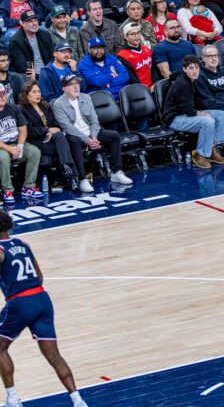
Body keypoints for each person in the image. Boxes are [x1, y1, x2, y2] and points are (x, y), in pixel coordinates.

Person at [0, 211, 90, 406]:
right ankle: (78, 400)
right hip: (42, 300)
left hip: (20, 303)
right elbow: (40, 277)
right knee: (54, 354)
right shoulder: (23, 244)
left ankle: (13, 400)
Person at [51, 74, 133, 185]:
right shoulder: (58, 104)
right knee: (74, 141)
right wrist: (87, 140)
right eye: (71, 84)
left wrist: (93, 136)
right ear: (64, 89)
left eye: (77, 83)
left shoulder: (86, 97)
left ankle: (117, 172)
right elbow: (68, 127)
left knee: (114, 136)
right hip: (74, 135)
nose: (75, 87)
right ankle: (82, 178)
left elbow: (94, 120)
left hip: (91, 133)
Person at [20, 79, 91, 192]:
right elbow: (30, 131)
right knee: (63, 140)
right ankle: (70, 173)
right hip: (38, 142)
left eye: (38, 91)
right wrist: (47, 130)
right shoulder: (23, 111)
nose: (38, 94)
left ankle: (67, 169)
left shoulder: (46, 107)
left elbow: (56, 125)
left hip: (54, 140)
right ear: (26, 95)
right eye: (34, 92)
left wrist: (51, 131)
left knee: (62, 137)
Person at [162, 54, 224, 169]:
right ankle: (200, 156)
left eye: (197, 67)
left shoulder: (182, 75)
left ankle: (213, 150)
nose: (195, 71)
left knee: (221, 114)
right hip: (174, 118)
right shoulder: (183, 85)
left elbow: (171, 76)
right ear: (184, 69)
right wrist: (204, 114)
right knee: (207, 121)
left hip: (186, 113)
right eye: (191, 68)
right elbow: (190, 112)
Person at [8, 10, 54, 79]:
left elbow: (53, 56)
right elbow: (21, 67)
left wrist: (49, 71)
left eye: (35, 20)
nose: (34, 23)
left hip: (49, 71)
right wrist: (37, 76)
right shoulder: (15, 41)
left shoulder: (45, 35)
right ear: (23, 24)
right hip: (31, 76)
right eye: (30, 21)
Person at [117, 23, 154, 89]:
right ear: (126, 37)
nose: (137, 36)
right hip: (139, 90)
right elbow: (131, 78)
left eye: (138, 33)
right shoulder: (122, 55)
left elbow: (154, 68)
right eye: (132, 34)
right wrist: (144, 89)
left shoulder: (146, 49)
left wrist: (154, 84)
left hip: (153, 87)